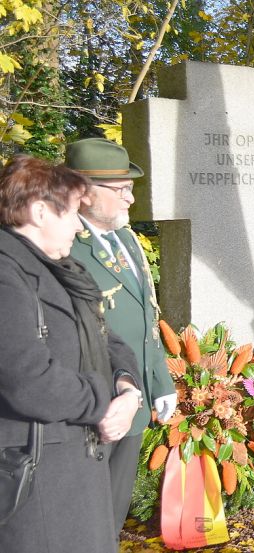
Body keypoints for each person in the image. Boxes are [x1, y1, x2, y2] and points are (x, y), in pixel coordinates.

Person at [0, 155, 142, 551]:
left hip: (77, 470)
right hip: (40, 482)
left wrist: (128, 389)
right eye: (72, 214)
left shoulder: (59, 269)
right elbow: (28, 379)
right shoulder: (7, 273)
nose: (80, 226)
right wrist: (103, 400)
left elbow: (107, 338)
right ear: (40, 211)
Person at [65, 137, 178, 532]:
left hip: (134, 400)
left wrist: (158, 382)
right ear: (81, 192)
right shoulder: (64, 247)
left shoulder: (124, 238)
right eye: (120, 190)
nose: (130, 199)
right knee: (83, 520)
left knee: (112, 513)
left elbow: (147, 318)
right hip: (96, 407)